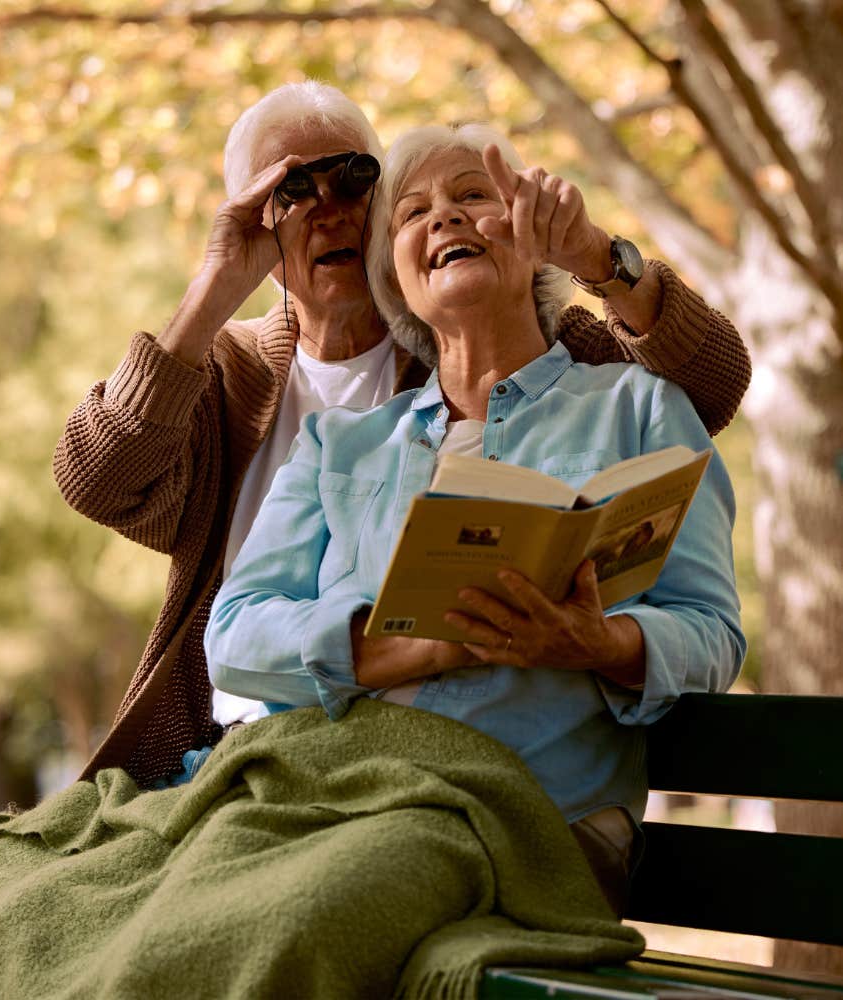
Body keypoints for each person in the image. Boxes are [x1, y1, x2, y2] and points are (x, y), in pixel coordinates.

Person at [53, 80, 751, 790]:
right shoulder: (241, 383)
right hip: (235, 746)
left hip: (440, 775)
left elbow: (708, 387)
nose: (330, 208)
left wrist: (598, 259)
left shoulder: (513, 336)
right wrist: (215, 285)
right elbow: (99, 481)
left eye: (356, 178)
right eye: (293, 189)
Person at [204, 123, 746, 915]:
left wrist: (602, 645)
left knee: (308, 904)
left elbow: (712, 632)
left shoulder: (638, 409)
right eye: (413, 213)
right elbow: (236, 633)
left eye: (472, 197)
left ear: (533, 243)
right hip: (341, 798)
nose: (445, 219)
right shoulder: (340, 445)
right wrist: (399, 646)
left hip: (536, 822)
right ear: (395, 275)